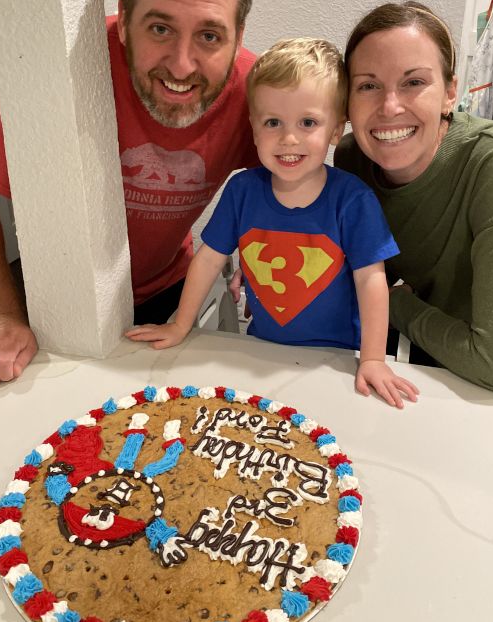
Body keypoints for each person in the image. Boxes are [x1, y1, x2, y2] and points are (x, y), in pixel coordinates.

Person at [0, 0, 259, 386]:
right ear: (125, 20)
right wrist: (1, 318)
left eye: (209, 35)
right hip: (54, 301)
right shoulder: (59, 72)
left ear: (238, 37)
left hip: (170, 291)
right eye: (160, 29)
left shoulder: (254, 89)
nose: (183, 64)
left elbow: (295, 178)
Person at [127, 38, 419, 408]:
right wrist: (181, 324)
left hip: (336, 360)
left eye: (308, 122)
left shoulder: (353, 200)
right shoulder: (242, 191)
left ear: (334, 130)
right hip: (261, 351)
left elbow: (371, 279)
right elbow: (209, 258)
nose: (289, 138)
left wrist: (373, 359)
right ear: (254, 127)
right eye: (273, 122)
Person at [333, 1, 493, 393]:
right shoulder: (350, 160)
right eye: (368, 85)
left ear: (450, 93)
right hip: (415, 359)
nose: (389, 107)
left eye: (413, 82)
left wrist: (397, 305)